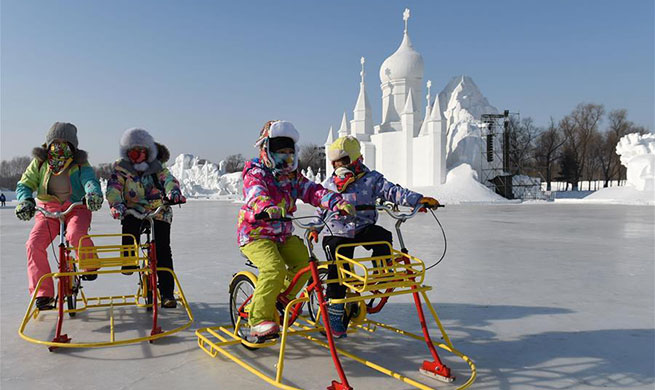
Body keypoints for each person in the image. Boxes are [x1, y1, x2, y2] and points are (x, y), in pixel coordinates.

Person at [237, 120, 355, 339]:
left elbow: (313, 191)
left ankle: (282, 298)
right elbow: (254, 192)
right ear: (267, 150)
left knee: (305, 263)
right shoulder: (255, 171)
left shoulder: (292, 176)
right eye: (280, 152)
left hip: (282, 234)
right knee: (273, 268)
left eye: (289, 152)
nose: (286, 157)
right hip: (255, 234)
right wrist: (265, 206)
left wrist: (335, 201)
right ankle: (258, 318)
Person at [320, 135, 440, 338]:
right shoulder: (330, 183)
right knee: (338, 270)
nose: (338, 166)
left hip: (363, 226)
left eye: (343, 161)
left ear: (356, 160)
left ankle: (381, 273)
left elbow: (393, 192)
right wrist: (316, 227)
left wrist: (417, 200)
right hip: (337, 230)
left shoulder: (371, 179)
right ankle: (334, 312)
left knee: (383, 237)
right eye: (335, 163)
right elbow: (320, 204)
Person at [15, 122, 104, 310]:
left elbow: (89, 180)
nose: (60, 146)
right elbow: (25, 184)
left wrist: (93, 194)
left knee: (75, 234)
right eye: (56, 141)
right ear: (49, 143)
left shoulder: (80, 163)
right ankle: (43, 293)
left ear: (72, 145)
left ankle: (89, 265)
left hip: (76, 207)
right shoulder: (39, 162)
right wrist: (25, 201)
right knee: (34, 244)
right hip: (48, 211)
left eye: (65, 142)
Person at [105, 128, 186, 309]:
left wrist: (173, 191)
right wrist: (116, 204)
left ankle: (167, 293)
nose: (138, 156)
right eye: (134, 152)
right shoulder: (121, 167)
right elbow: (114, 187)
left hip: (159, 210)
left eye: (142, 152)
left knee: (163, 250)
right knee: (129, 231)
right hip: (133, 209)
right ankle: (128, 260)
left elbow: (168, 179)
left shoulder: (157, 166)